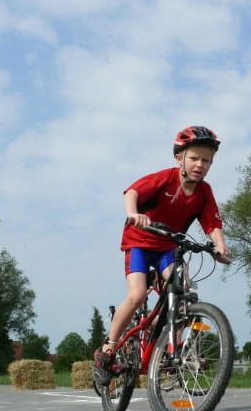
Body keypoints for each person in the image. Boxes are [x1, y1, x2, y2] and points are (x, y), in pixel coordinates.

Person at [93, 126, 230, 385]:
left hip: (168, 248)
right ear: (180, 158)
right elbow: (132, 192)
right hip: (140, 244)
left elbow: (212, 222)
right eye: (194, 158)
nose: (200, 164)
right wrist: (134, 214)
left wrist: (219, 246)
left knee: (184, 293)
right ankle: (108, 348)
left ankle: (170, 354)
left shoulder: (204, 192)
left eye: (207, 160)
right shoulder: (165, 179)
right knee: (137, 295)